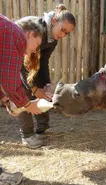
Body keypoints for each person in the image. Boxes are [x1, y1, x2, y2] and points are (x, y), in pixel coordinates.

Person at [17, 4, 76, 149]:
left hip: (31, 63)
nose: (63, 35)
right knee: (23, 92)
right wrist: (34, 90)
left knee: (44, 90)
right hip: (17, 60)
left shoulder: (53, 38)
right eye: (62, 30)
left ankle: (42, 129)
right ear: (54, 21)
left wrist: (46, 85)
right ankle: (27, 135)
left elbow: (42, 62)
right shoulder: (35, 29)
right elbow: (22, 66)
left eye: (66, 33)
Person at [0, 14, 44, 185]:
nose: (33, 51)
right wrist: (28, 105)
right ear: (31, 34)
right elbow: (10, 81)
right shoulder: (16, 34)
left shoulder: (6, 32)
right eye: (37, 45)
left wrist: (4, 99)